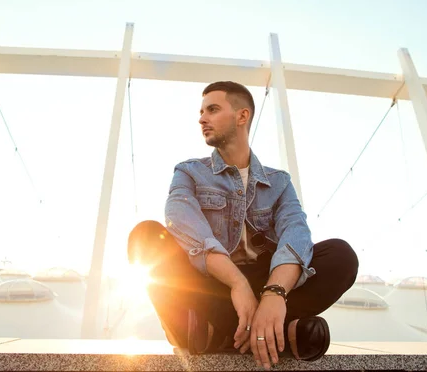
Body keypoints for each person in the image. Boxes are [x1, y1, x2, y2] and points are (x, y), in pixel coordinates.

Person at [127, 81, 358, 370]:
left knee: (341, 255)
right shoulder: (189, 172)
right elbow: (182, 221)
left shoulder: (279, 182)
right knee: (145, 238)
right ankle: (281, 334)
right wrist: (237, 284)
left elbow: (296, 234)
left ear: (242, 116)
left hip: (265, 287)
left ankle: (220, 333)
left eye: (212, 109)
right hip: (212, 285)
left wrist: (274, 294)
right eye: (201, 111)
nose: (202, 118)